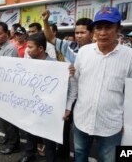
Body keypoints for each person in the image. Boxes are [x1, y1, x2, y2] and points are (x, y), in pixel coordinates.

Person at [64, 7, 132, 162]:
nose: (103, 33)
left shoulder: (131, 57)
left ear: (119, 28)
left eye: (108, 27)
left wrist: (129, 124)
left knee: (109, 159)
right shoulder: (84, 52)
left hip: (111, 125)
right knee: (79, 154)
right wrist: (69, 106)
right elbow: (75, 82)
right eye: (99, 28)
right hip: (81, 120)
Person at [42, 10, 93, 159]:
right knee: (67, 127)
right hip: (71, 95)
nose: (78, 36)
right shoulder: (69, 45)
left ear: (91, 33)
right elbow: (50, 38)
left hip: (89, 97)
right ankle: (64, 153)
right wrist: (45, 21)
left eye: (82, 32)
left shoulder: (97, 50)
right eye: (76, 32)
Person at [18, 33, 58, 162]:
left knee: (48, 138)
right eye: (27, 47)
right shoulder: (28, 63)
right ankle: (29, 155)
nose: (27, 50)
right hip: (31, 105)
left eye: (30, 47)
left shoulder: (55, 66)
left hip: (47, 109)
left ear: (41, 49)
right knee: (30, 131)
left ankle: (50, 159)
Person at [0, 21, 20, 155]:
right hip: (0, 90)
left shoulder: (10, 49)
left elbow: (7, 72)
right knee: (3, 117)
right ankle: (8, 137)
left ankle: (13, 144)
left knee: (10, 119)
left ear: (7, 34)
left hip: (9, 91)